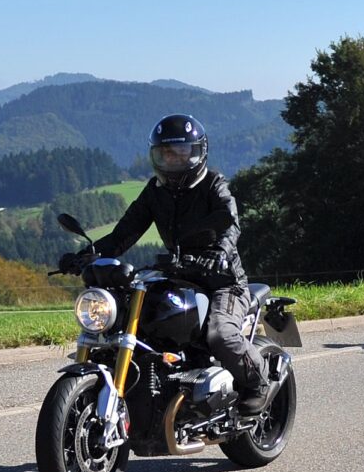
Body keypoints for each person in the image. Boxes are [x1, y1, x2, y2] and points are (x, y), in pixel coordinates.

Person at [85, 114, 271, 412]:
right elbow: (123, 235)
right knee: (144, 324)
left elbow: (230, 223)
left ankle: (257, 381)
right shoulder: (155, 191)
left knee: (220, 335)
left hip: (222, 281)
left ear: (198, 152)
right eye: (166, 153)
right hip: (179, 274)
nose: (173, 160)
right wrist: (88, 252)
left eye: (181, 153)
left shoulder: (214, 184)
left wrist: (221, 252)